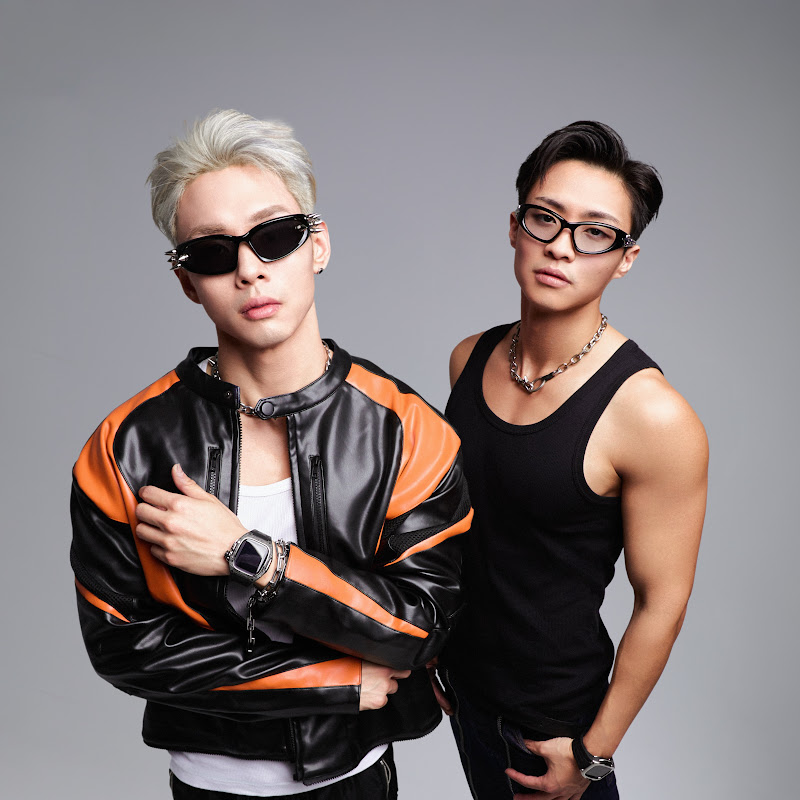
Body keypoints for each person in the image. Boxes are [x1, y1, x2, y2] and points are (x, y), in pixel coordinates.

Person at [70, 109, 472, 800]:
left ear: (317, 245)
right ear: (187, 281)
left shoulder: (407, 431)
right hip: (204, 782)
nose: (250, 269)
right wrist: (330, 680)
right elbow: (124, 646)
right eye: (212, 252)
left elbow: (420, 626)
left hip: (353, 780)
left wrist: (249, 555)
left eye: (274, 236)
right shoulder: (126, 445)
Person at [435, 121, 708, 799]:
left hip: (551, 731)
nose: (561, 245)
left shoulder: (653, 415)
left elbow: (663, 604)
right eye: (545, 218)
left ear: (625, 258)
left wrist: (593, 756)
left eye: (595, 233)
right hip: (462, 694)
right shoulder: (470, 358)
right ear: (515, 227)